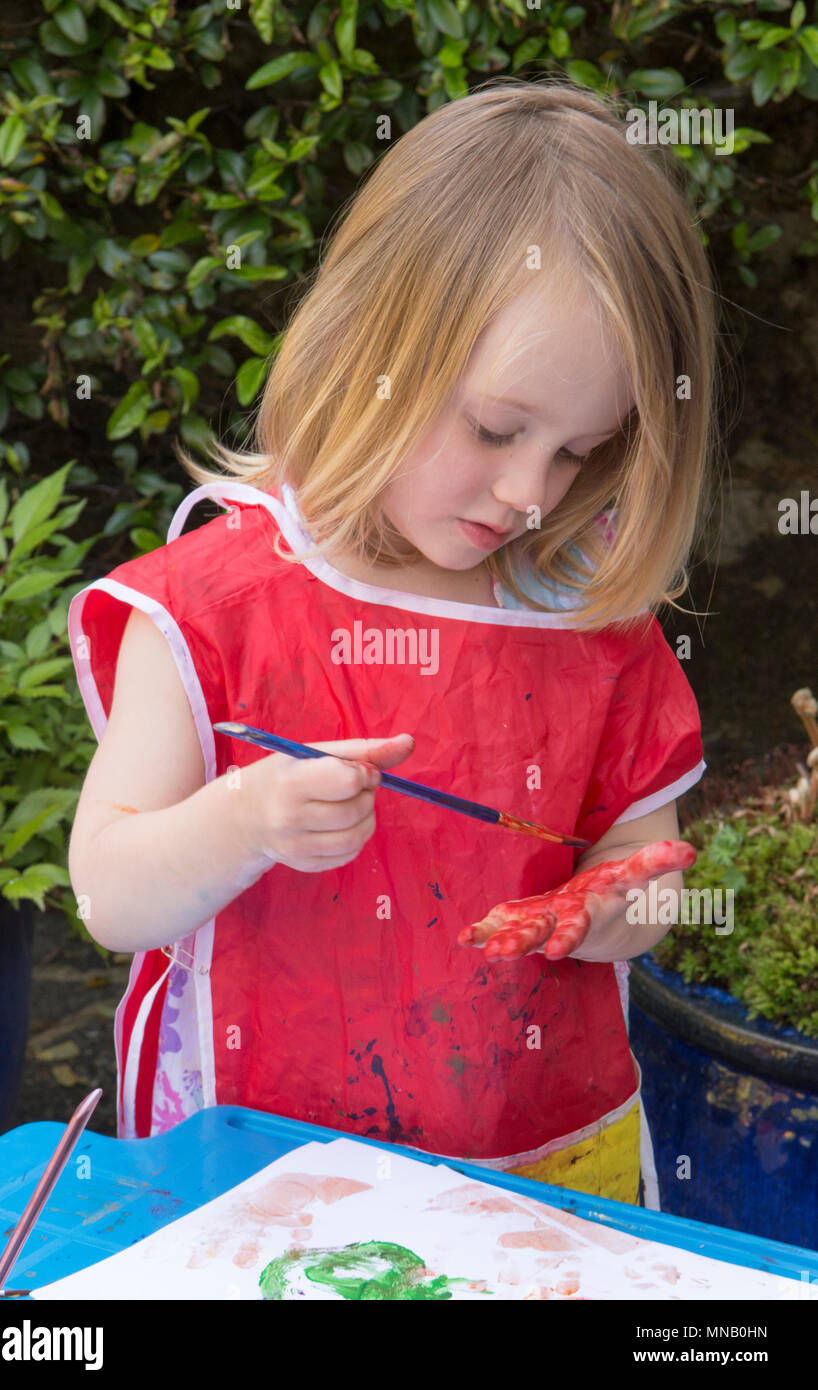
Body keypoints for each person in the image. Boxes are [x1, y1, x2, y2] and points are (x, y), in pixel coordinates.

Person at [67, 77, 714, 1208]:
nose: (526, 490)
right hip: (260, 1181)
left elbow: (643, 866)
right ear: (370, 344)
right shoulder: (220, 602)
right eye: (496, 427)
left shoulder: (589, 622)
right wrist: (244, 820)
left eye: (577, 452)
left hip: (539, 1177)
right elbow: (110, 895)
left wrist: (613, 911)